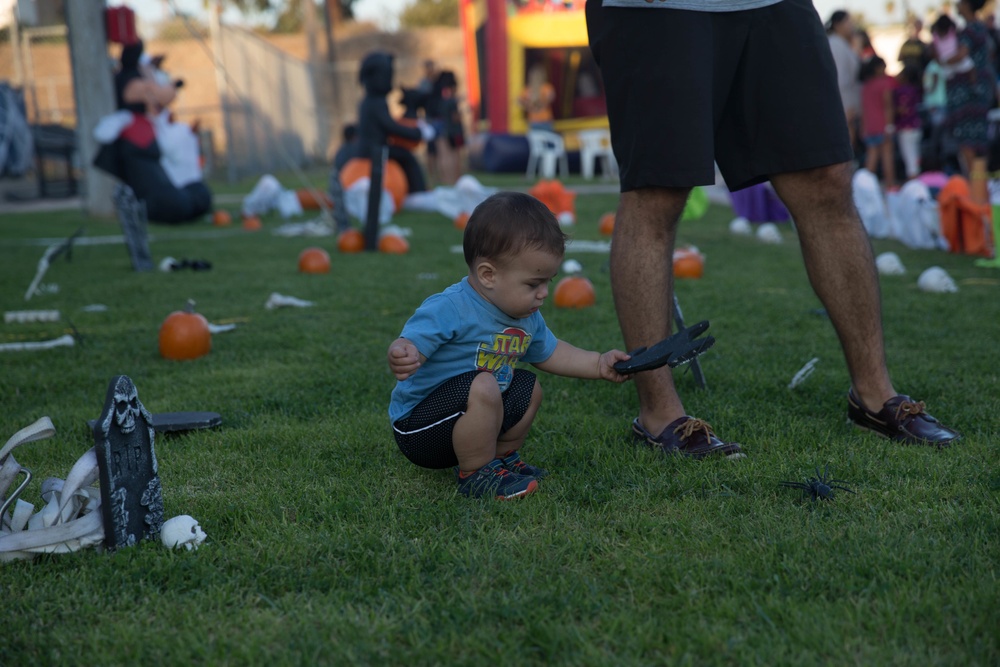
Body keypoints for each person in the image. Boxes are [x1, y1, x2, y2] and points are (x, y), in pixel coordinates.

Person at [585, 0, 960, 457]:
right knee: (657, 188)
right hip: (655, 7)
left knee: (825, 176)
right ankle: (659, 414)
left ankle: (876, 397)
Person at [386, 191, 631, 499]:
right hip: (420, 428)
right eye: (533, 284)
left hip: (474, 418)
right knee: (484, 384)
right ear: (488, 275)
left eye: (548, 282)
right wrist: (405, 352)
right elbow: (413, 342)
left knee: (529, 386)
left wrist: (598, 363)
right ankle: (476, 474)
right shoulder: (452, 306)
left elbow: (553, 352)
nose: (543, 293)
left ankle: (501, 458)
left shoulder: (527, 317)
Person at [942, 0, 997, 177]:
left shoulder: (969, 30)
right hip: (980, 90)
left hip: (968, 94)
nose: (957, 5)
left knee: (967, 140)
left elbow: (961, 54)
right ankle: (981, 184)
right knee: (978, 141)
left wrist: (943, 60)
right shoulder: (981, 28)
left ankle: (976, 185)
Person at [826, 10, 862, 150]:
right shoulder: (835, 44)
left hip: (846, 98)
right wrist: (847, 104)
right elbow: (840, 76)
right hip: (844, 99)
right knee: (846, 135)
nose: (851, 25)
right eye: (848, 22)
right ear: (838, 24)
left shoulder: (841, 43)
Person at [860, 56, 898, 190]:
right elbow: (888, 106)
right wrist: (889, 126)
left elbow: (864, 109)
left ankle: (864, 188)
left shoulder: (866, 85)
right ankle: (890, 187)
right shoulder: (884, 84)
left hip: (870, 127)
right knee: (887, 158)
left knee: (871, 159)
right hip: (883, 126)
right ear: (878, 68)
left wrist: (863, 128)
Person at [894, 65, 924, 180]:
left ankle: (914, 183)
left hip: (907, 128)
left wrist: (890, 110)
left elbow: (903, 109)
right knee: (915, 158)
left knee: (910, 158)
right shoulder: (914, 89)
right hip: (916, 127)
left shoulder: (903, 91)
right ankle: (916, 180)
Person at [518, 63, 557, 131]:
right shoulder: (528, 89)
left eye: (538, 75)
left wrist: (536, 105)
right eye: (535, 75)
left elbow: (551, 98)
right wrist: (529, 105)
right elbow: (518, 101)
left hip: (545, 121)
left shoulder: (546, 87)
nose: (536, 77)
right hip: (534, 121)